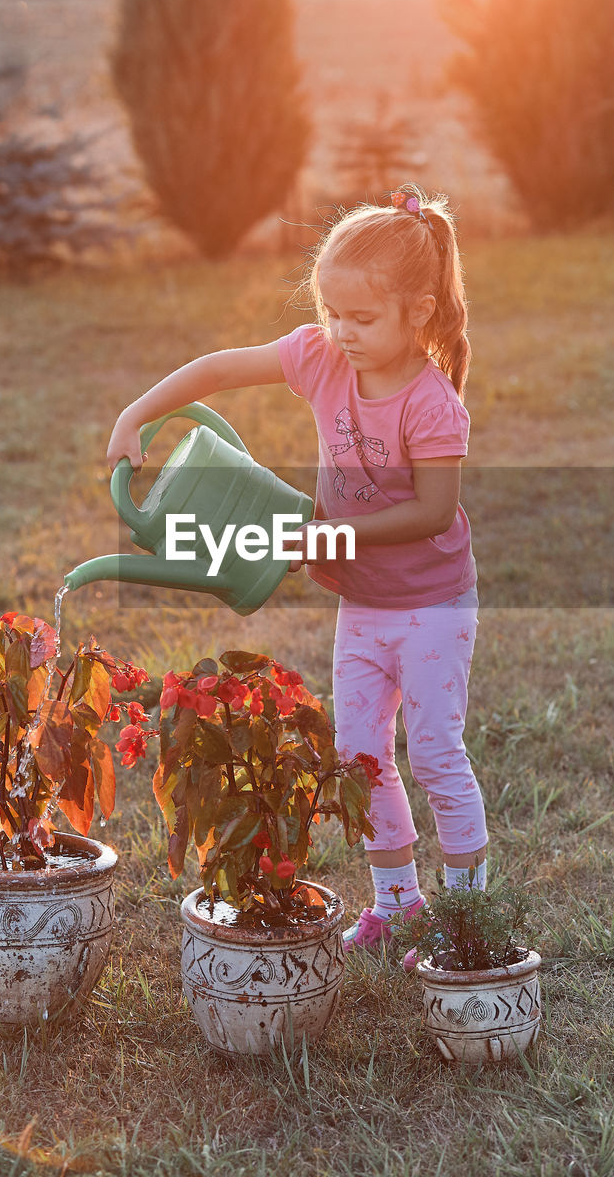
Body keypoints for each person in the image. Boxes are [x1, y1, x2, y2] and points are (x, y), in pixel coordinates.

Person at [107, 184, 488, 952]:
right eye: (331, 313)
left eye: (362, 318)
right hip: (363, 606)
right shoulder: (319, 358)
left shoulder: (429, 402)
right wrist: (135, 413)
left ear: (417, 311)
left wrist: (328, 541)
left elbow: (432, 514)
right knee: (358, 756)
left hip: (431, 607)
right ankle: (396, 903)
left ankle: (465, 915)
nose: (341, 332)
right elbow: (216, 367)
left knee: (437, 754)